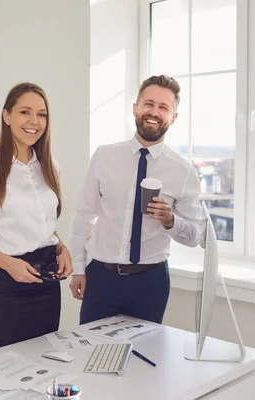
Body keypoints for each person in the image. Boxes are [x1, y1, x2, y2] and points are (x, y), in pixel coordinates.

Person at [68, 75, 206, 325]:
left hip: (150, 282)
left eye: (163, 107)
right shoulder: (104, 156)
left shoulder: (183, 172)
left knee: (143, 357)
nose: (154, 112)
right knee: (92, 357)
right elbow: (84, 215)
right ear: (135, 108)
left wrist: (170, 220)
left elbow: (196, 235)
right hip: (101, 277)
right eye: (148, 104)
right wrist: (79, 268)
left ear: (173, 118)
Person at [0, 82, 73, 350]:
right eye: (25, 112)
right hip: (4, 285)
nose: (34, 121)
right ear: (7, 116)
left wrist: (61, 246)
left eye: (42, 114)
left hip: (46, 283)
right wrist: (9, 264)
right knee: (6, 371)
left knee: (44, 362)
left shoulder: (50, 166)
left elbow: (42, 224)